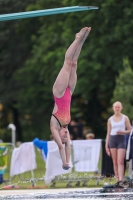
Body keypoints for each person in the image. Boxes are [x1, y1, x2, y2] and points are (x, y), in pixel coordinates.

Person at [50, 27, 91, 170]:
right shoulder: (66, 125)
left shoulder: (54, 125)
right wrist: (68, 161)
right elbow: (68, 144)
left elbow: (61, 146)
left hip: (59, 92)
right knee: (74, 64)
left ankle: (77, 38)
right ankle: (82, 41)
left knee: (67, 63)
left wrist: (63, 162)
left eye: (64, 135)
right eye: (66, 135)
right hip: (70, 92)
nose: (66, 134)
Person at [105, 101, 131, 184]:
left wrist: (123, 132)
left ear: (121, 108)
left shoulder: (125, 118)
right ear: (113, 108)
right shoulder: (110, 119)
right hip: (113, 139)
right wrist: (106, 146)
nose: (117, 108)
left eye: (118, 107)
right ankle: (117, 180)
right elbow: (108, 133)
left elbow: (130, 130)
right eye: (115, 107)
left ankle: (121, 179)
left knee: (120, 161)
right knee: (115, 161)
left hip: (121, 139)